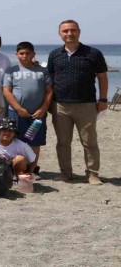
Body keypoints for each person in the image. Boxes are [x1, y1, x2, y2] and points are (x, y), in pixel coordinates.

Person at [47, 20, 108, 185]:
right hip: (60, 105)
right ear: (60, 34)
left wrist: (103, 99)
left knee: (89, 142)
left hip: (86, 105)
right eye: (65, 31)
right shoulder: (54, 55)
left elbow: (102, 77)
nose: (69, 33)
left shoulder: (93, 53)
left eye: (72, 30)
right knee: (62, 142)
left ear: (79, 32)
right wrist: (47, 103)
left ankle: (93, 173)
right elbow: (50, 80)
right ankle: (66, 173)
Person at [3, 42, 53, 179]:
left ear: (33, 54)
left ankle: (31, 170)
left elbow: (49, 92)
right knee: (15, 141)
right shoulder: (11, 71)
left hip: (37, 114)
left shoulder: (43, 71)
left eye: (28, 53)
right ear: (17, 55)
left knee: (34, 142)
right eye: (21, 53)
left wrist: (43, 109)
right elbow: (7, 91)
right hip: (16, 113)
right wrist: (18, 108)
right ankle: (16, 170)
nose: (25, 56)